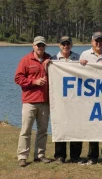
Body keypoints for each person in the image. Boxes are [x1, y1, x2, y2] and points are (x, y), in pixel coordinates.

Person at [14, 36, 51, 167]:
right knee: (26, 130)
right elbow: (18, 78)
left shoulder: (50, 59)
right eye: (38, 45)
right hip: (29, 101)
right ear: (33, 46)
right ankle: (22, 156)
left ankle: (40, 155)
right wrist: (34, 82)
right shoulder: (26, 60)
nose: (40, 47)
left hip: (45, 102)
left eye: (42, 45)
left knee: (42, 130)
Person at [79, 31, 102, 165]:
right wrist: (80, 63)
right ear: (91, 42)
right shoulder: (85, 55)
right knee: (93, 126)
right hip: (91, 96)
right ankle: (93, 156)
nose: (98, 43)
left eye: (100, 40)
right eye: (96, 41)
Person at [51, 36, 84, 164]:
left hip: (76, 98)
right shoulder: (53, 60)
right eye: (63, 44)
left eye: (68, 43)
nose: (66, 46)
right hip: (60, 98)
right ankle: (60, 156)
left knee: (76, 126)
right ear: (59, 45)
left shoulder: (78, 58)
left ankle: (75, 156)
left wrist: (85, 64)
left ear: (71, 45)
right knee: (60, 126)